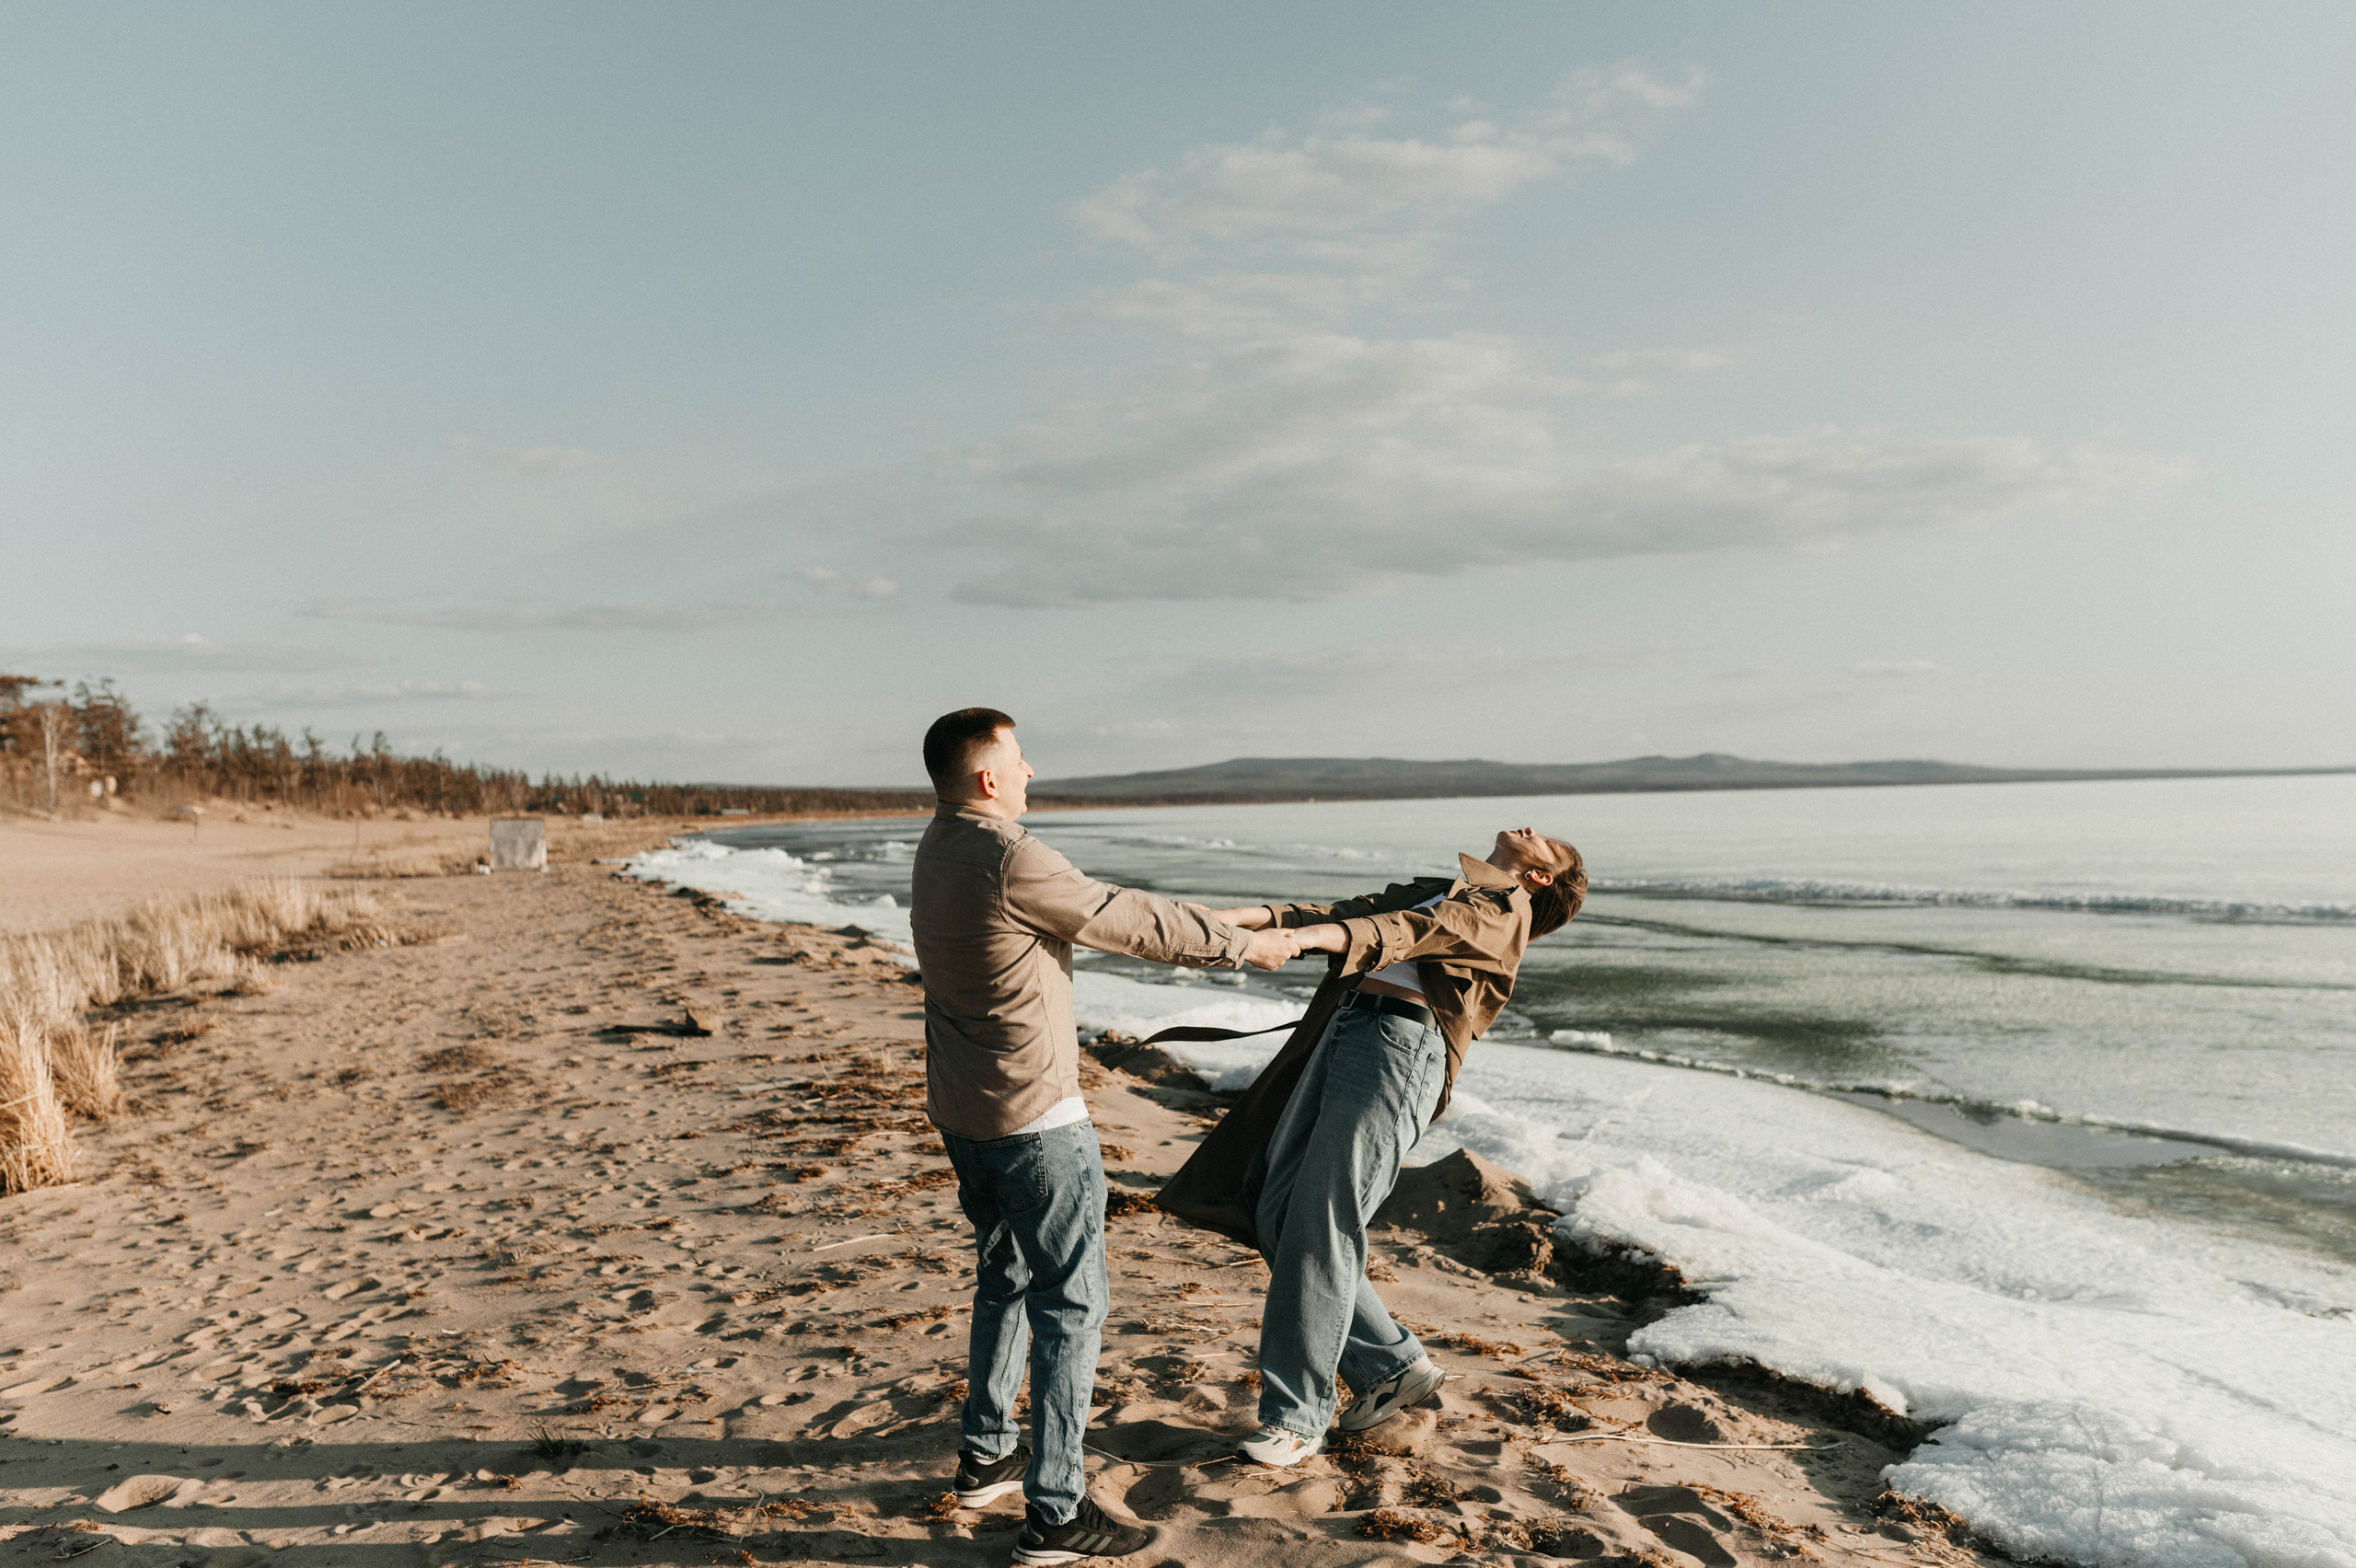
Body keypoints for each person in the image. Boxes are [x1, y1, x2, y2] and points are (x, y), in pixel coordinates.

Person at [912, 708, 1298, 1564]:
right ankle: (1054, 1513)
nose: (1031, 770)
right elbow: (1126, 923)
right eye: (1019, 758)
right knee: (1071, 1307)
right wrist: (1250, 947)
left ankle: (986, 1456)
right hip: (1036, 1121)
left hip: (968, 1114)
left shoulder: (939, 846)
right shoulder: (1010, 854)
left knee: (1005, 1277)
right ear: (987, 777)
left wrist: (1231, 919)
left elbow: (1108, 907)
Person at [1161, 827, 1586, 1466]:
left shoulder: (1503, 910)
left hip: (1400, 1052)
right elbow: (1339, 916)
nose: (1530, 830)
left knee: (1320, 1226)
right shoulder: (1437, 888)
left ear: (1540, 878)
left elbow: (1400, 936)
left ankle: (1297, 1418)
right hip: (1347, 1029)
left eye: (1546, 844)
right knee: (1278, 1216)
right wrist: (1218, 920)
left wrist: (1298, 941)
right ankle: (1393, 1366)